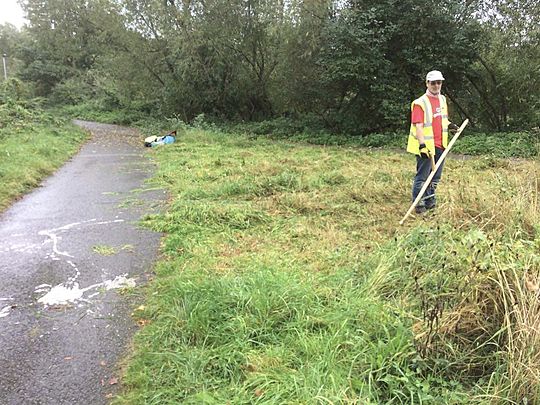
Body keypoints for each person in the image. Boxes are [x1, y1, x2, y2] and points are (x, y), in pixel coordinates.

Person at [407, 70, 459, 214]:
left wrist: (450, 125)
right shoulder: (420, 103)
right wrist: (422, 145)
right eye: (433, 83)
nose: (436, 85)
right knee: (423, 176)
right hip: (426, 146)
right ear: (427, 84)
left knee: (435, 176)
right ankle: (419, 203)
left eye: (439, 82)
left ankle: (430, 199)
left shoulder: (442, 99)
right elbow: (418, 126)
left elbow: (441, 118)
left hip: (440, 144)